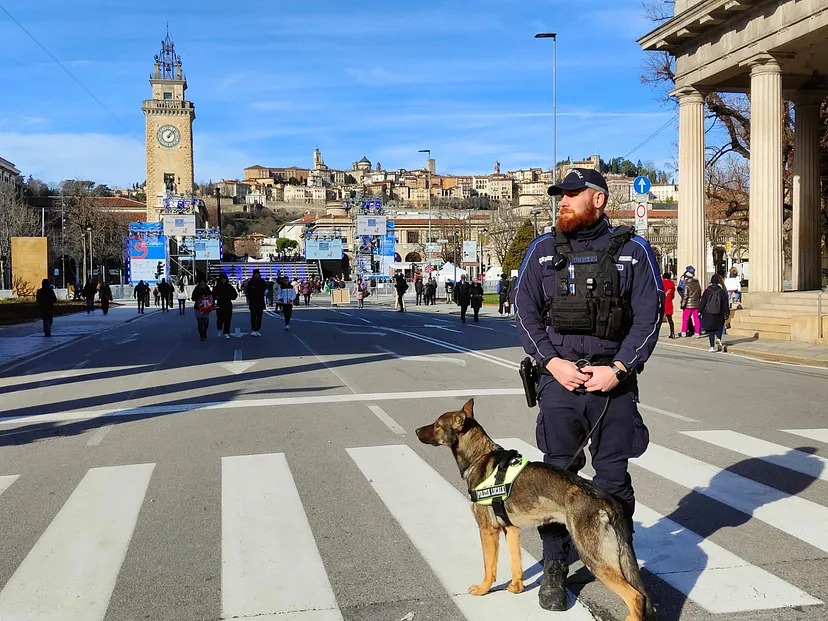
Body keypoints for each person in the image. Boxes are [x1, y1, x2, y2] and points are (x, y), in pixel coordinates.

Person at [514, 168, 662, 612]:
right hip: (560, 381)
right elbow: (524, 313)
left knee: (613, 478)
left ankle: (622, 556)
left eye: (572, 195)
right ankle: (556, 564)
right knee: (557, 477)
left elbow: (649, 317)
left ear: (598, 199)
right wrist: (552, 363)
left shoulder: (633, 252)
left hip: (612, 385)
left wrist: (618, 368)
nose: (563, 201)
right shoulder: (542, 251)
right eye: (560, 195)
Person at [699, 274, 729, 352]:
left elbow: (703, 302)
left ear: (711, 281)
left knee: (711, 331)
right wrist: (727, 312)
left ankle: (712, 347)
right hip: (719, 313)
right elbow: (725, 303)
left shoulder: (707, 291)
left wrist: (700, 311)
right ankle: (718, 339)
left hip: (708, 313)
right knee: (719, 328)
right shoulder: (722, 291)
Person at [213, 273, 238, 339]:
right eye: (222, 279)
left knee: (228, 319)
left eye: (224, 279)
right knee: (220, 318)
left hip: (228, 304)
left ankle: (226, 332)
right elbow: (213, 295)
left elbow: (235, 294)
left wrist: (230, 297)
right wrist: (217, 297)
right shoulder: (217, 287)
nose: (223, 280)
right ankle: (219, 329)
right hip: (220, 304)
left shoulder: (229, 286)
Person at [679, 267, 702, 338]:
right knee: (696, 319)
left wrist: (682, 305)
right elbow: (699, 294)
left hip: (688, 305)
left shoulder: (687, 285)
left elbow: (685, 296)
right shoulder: (697, 284)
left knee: (685, 319)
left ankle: (684, 332)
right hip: (696, 304)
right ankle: (697, 332)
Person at [247, 268, 267, 336]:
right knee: (253, 316)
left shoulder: (262, 281)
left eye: (257, 273)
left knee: (259, 317)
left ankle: (257, 329)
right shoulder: (251, 282)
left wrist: (255, 289)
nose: (256, 275)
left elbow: (263, 289)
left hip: (260, 301)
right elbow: (248, 291)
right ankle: (253, 329)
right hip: (253, 301)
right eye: (255, 274)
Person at [661, 271, 677, 338]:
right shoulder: (672, 284)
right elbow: (673, 296)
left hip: (661, 302)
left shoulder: (661, 283)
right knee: (670, 319)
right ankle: (672, 332)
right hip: (669, 303)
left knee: (659, 320)